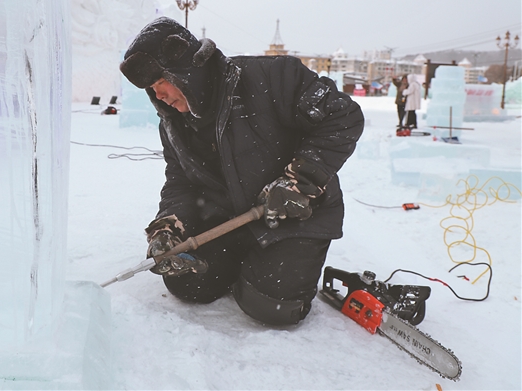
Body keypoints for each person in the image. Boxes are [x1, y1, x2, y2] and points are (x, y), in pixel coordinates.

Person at [119, 17, 364, 326]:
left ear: (185, 72)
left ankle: (267, 272)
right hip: (230, 221)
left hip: (293, 217)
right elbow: (180, 180)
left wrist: (299, 181)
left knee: (271, 307)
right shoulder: (173, 125)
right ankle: (245, 263)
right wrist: (170, 225)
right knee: (186, 281)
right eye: (151, 90)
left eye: (160, 83)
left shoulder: (274, 77)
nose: (159, 96)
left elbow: (342, 117)